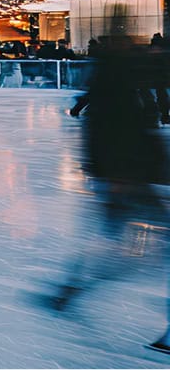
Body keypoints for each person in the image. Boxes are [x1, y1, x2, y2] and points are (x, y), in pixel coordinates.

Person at [41, 19, 170, 352]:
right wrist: (114, 176)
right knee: (123, 247)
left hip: (129, 175)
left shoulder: (120, 76)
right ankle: (71, 288)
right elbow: (108, 131)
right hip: (127, 177)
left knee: (113, 244)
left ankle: (70, 288)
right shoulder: (117, 81)